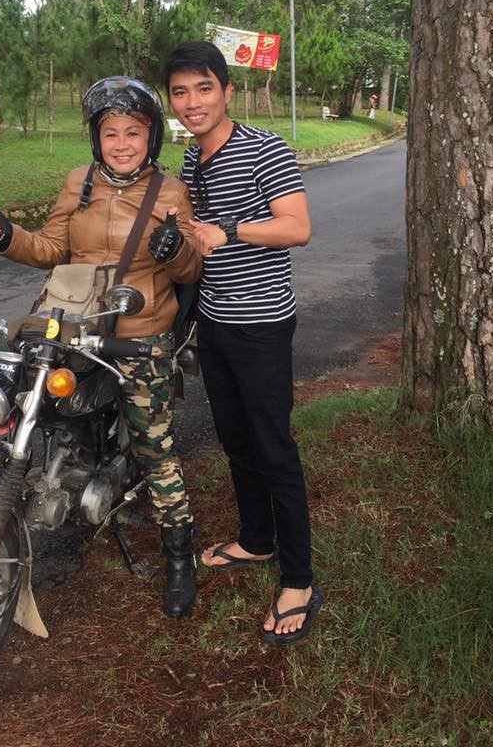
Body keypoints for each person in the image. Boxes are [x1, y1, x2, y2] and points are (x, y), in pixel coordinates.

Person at [0, 77, 202, 619]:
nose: (122, 143)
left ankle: (179, 559)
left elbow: (192, 267)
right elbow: (54, 248)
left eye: (133, 132)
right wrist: (8, 236)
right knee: (28, 400)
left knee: (155, 447)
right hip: (75, 324)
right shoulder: (78, 181)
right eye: (110, 133)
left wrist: (174, 250)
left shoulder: (169, 192)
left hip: (139, 331)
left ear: (151, 138)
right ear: (95, 138)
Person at [164, 40, 323, 646]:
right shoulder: (190, 159)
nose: (193, 102)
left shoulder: (264, 149)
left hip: (260, 324)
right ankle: (257, 539)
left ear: (227, 91)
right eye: (181, 91)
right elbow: (189, 236)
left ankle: (300, 581)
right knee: (235, 439)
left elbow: (297, 227)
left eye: (204, 88)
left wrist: (229, 231)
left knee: (273, 444)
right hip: (215, 321)